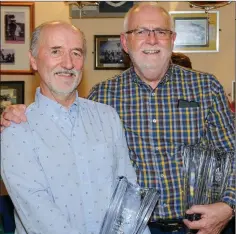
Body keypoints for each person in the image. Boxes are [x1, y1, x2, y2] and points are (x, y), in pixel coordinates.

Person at [1, 3, 235, 234]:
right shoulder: (104, 97)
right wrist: (17, 115)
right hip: (137, 226)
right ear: (124, 42)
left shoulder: (206, 87)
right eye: (141, 31)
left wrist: (229, 205)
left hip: (201, 225)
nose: (152, 40)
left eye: (161, 32)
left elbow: (232, 153)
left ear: (172, 39)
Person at [0, 21, 151, 234]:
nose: (68, 63)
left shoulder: (107, 117)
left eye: (76, 53)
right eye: (56, 51)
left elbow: (129, 195)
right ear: (33, 60)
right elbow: (40, 217)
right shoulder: (16, 129)